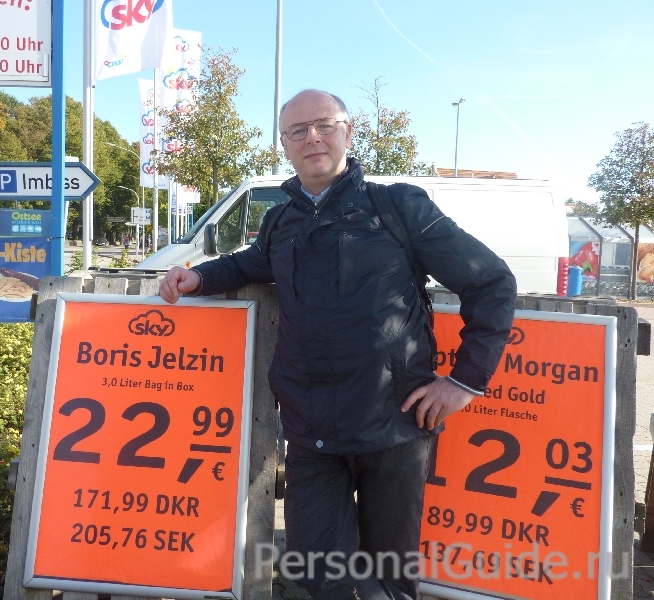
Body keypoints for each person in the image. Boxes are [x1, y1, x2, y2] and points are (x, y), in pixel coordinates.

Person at [159, 89, 516, 600]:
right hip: (311, 432)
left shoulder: (399, 206)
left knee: (387, 582)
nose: (313, 138)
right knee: (315, 577)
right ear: (284, 145)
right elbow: (252, 263)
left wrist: (465, 382)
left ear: (347, 132)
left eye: (324, 125)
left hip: (394, 426)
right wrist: (199, 277)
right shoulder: (281, 220)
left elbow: (491, 282)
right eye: (297, 131)